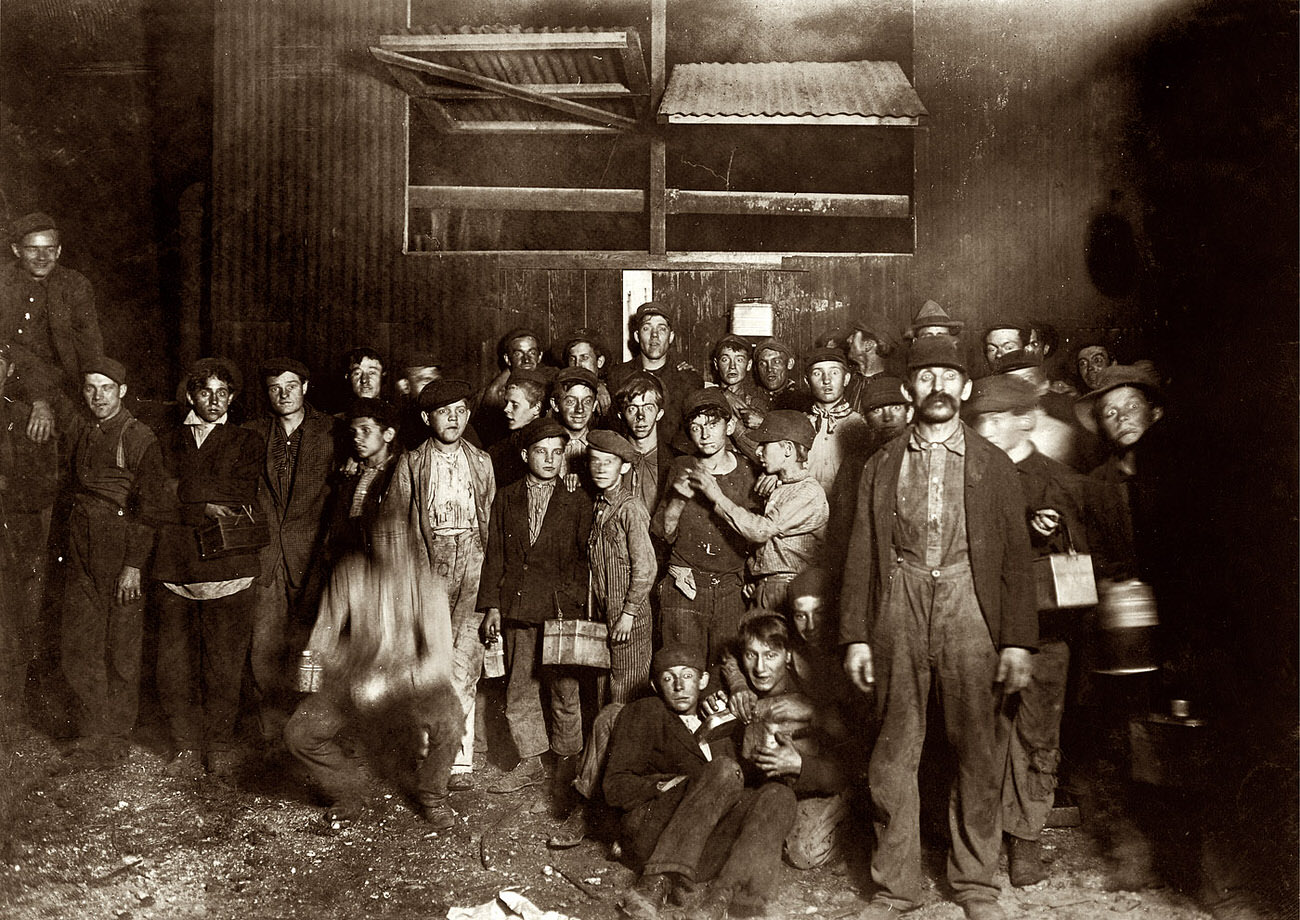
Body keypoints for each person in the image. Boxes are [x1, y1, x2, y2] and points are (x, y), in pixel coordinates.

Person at [840, 334, 1037, 920]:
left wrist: (1019, 641)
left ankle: (976, 882)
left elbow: (1016, 562)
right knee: (894, 749)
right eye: (925, 378)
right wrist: (854, 632)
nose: (937, 387)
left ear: (966, 388)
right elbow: (857, 552)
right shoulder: (880, 464)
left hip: (968, 600)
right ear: (907, 389)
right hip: (900, 596)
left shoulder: (994, 465)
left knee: (979, 747)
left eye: (948, 377)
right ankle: (895, 887)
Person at [964, 374, 1088, 887]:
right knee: (986, 730)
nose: (988, 429)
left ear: (1025, 419)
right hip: (981, 624)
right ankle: (986, 835)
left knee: (1037, 732)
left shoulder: (1060, 479)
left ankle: (1028, 836)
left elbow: (1085, 562)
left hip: (1045, 628)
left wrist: (1056, 532)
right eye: (982, 420)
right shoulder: (969, 476)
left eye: (998, 419)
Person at [605, 644, 795, 920]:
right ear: (656, 686)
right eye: (669, 678)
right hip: (656, 833)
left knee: (780, 794)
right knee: (725, 770)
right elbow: (614, 785)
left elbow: (741, 786)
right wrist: (663, 785)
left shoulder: (719, 723)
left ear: (703, 680)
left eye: (688, 676)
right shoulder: (647, 711)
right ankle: (654, 885)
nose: (679, 686)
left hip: (705, 852)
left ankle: (723, 899)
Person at [144, 357, 263, 780]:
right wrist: (200, 502)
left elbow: (238, 493)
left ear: (232, 397)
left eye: (223, 392)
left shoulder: (247, 441)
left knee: (223, 663)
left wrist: (181, 495)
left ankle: (218, 745)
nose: (214, 400)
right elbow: (151, 497)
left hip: (229, 568)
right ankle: (184, 743)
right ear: (191, 395)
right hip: (175, 569)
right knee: (173, 664)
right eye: (205, 392)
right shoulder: (165, 440)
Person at [379, 379, 494, 791]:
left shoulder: (481, 461)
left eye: (461, 410)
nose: (454, 419)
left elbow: (491, 523)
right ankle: (427, 752)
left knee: (465, 661)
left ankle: (457, 761)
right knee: (428, 663)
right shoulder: (411, 463)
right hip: (430, 564)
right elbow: (392, 526)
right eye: (445, 412)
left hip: (474, 563)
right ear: (427, 418)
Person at [478, 417, 591, 796]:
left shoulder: (577, 499)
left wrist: (572, 606)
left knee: (564, 690)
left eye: (557, 453)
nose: (549, 459)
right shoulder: (507, 496)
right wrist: (493, 604)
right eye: (541, 452)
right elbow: (495, 553)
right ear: (525, 454)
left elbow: (583, 560)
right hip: (519, 606)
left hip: (559, 612)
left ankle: (566, 763)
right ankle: (530, 761)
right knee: (520, 688)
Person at [60, 358, 161, 766]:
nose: (98, 396)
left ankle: (116, 737)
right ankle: (91, 733)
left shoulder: (138, 437)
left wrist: (133, 564)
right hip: (82, 537)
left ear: (121, 390)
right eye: (90, 388)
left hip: (121, 542)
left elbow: (150, 507)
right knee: (80, 641)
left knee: (122, 646)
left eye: (106, 388)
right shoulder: (83, 429)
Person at [244, 357, 338, 745]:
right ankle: (271, 736)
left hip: (314, 555)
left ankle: (313, 734)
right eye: (274, 388)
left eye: (290, 386)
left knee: (314, 649)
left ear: (305, 388)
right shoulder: (250, 433)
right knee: (264, 646)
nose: (283, 394)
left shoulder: (333, 430)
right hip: (267, 557)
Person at [722, 613, 851, 872]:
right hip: (771, 791)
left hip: (822, 785)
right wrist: (735, 687)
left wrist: (801, 765)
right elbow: (724, 655)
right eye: (751, 655)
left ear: (788, 655)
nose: (760, 668)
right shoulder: (741, 688)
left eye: (771, 656)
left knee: (804, 852)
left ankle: (853, 833)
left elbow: (847, 765)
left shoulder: (809, 689)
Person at [651, 389, 756, 674]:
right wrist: (678, 499)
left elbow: (755, 533)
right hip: (686, 585)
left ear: (730, 426)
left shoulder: (748, 470)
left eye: (712, 424)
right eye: (696, 427)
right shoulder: (681, 466)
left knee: (728, 672)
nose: (705, 434)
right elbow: (662, 532)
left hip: (731, 589)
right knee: (683, 671)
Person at [689, 410, 827, 611]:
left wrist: (716, 495)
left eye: (765, 445)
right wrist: (758, 578)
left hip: (791, 589)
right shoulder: (782, 487)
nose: (758, 451)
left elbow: (761, 531)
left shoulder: (809, 492)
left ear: (788, 449)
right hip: (769, 586)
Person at [0, 212, 103, 443]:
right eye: (33, 249)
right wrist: (38, 398)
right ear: (17, 250)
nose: (42, 257)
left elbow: (90, 344)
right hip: (15, 379)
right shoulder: (3, 282)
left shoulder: (74, 285)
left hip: (65, 381)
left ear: (58, 251)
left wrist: (94, 388)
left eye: (49, 249)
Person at [0, 343, 58, 738]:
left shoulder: (25, 420)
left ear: (8, 371)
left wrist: (6, 486)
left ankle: (8, 714)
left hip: (14, 543)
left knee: (13, 626)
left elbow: (44, 488)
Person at [586, 430, 655, 706]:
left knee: (626, 690)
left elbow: (646, 568)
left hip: (629, 615)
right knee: (607, 688)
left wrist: (628, 614)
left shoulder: (630, 508)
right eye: (595, 460)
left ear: (624, 467)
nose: (601, 468)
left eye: (609, 462)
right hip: (607, 613)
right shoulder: (600, 505)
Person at [606, 302, 704, 446]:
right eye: (647, 328)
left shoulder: (688, 379)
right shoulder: (618, 377)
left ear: (671, 337)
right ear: (637, 336)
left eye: (661, 329)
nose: (654, 335)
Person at [803, 347, 872, 496]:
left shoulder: (860, 425)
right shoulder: (800, 424)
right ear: (807, 381)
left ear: (846, 379)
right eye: (817, 373)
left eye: (834, 372)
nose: (826, 380)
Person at [475, 328, 549, 448]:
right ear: (507, 359)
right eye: (518, 354)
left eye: (532, 353)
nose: (526, 360)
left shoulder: (551, 384)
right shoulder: (494, 392)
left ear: (540, 356)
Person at [616, 371, 672, 518]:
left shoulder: (675, 461)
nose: (640, 417)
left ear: (659, 414)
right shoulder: (610, 457)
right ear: (621, 415)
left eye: (648, 407)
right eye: (632, 408)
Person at [488, 368, 547, 487]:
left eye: (515, 404)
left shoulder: (550, 444)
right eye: (506, 403)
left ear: (536, 407)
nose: (506, 409)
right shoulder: (498, 449)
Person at [550, 366, 599, 494]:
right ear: (555, 405)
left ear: (594, 405)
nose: (580, 409)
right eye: (571, 401)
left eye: (587, 401)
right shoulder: (545, 445)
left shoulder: (602, 447)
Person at [710, 333, 766, 430]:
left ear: (749, 365)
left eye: (739, 360)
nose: (732, 366)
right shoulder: (706, 395)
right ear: (716, 364)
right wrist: (724, 395)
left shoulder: (756, 404)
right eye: (725, 359)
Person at [393, 350, 442, 451]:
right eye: (426, 381)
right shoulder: (396, 425)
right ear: (405, 386)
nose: (434, 387)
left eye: (437, 381)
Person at [561, 327, 612, 419]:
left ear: (599, 362)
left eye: (584, 358)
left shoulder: (610, 392)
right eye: (572, 359)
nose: (577, 365)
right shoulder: (561, 390)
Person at [859, 374, 910, 457]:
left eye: (895, 408)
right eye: (877, 410)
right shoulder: (855, 461)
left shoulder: (922, 455)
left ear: (909, 413)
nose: (887, 417)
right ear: (864, 419)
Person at [752, 337, 806, 412]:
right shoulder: (751, 394)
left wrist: (763, 421)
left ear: (790, 363)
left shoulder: (801, 400)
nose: (769, 369)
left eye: (776, 362)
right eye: (762, 364)